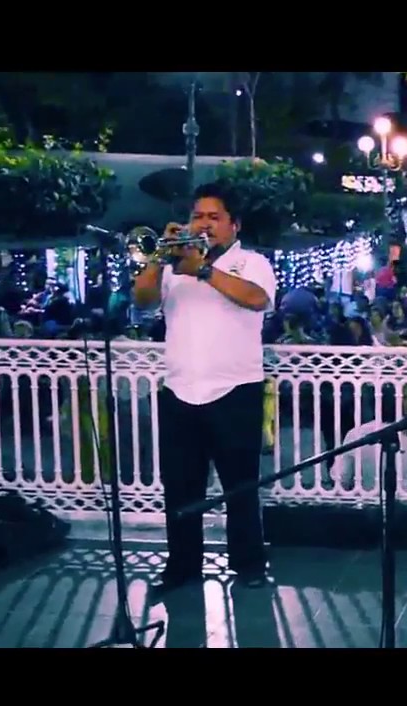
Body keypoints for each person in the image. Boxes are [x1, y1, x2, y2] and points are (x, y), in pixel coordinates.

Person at [132, 183, 277, 594]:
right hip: (179, 391)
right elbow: (142, 300)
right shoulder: (173, 268)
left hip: (235, 391)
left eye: (214, 217)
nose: (204, 224)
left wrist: (204, 270)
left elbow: (256, 298)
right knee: (179, 487)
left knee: (241, 487)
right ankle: (181, 567)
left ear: (234, 224)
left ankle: (248, 564)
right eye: (198, 216)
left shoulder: (251, 262)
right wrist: (160, 258)